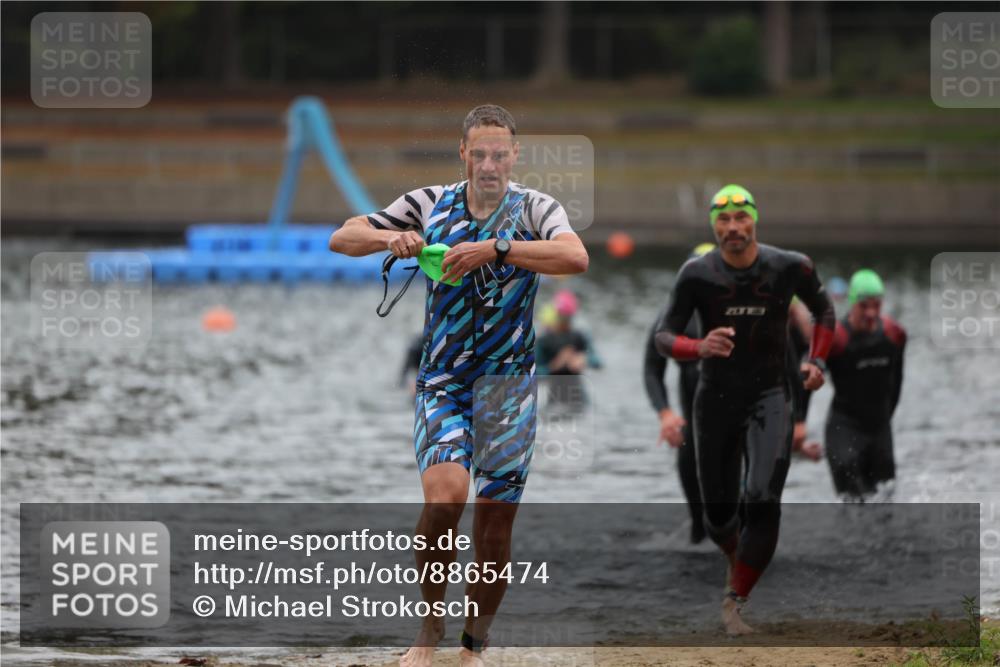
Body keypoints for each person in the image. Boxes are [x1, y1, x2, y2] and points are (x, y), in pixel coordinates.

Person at [329, 104, 588, 667]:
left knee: (493, 527)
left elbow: (575, 256)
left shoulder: (535, 208)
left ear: (514, 156)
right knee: (445, 498)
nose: (489, 164)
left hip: (508, 390)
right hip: (443, 382)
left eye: (500, 154)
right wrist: (390, 241)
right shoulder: (429, 202)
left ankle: (473, 644)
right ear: (463, 153)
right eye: (479, 154)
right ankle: (429, 628)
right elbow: (342, 236)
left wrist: (497, 249)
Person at [654, 184, 835, 636]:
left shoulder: (789, 266)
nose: (733, 227)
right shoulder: (697, 275)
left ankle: (735, 601)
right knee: (718, 519)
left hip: (770, 396)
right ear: (714, 227)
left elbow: (825, 311)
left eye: (741, 218)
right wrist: (699, 346)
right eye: (723, 220)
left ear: (754, 220)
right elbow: (663, 337)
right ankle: (738, 558)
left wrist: (817, 361)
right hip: (714, 401)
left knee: (762, 497)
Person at [642, 243, 715, 544]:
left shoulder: (739, 312)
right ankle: (699, 532)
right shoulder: (673, 317)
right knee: (699, 522)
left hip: (737, 418)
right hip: (693, 422)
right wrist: (666, 414)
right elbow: (652, 370)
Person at [824, 269, 906, 500]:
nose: (871, 313)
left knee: (885, 501)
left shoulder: (894, 335)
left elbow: (897, 382)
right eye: (864, 306)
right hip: (844, 429)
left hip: (879, 429)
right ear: (852, 303)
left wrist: (885, 417)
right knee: (852, 502)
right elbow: (807, 376)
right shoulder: (836, 339)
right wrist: (799, 421)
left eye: (876, 305)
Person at [536, 289, 601, 413]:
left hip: (580, 399)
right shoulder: (544, 341)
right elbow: (535, 374)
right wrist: (555, 365)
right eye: (562, 317)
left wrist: (583, 359)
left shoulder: (579, 336)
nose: (565, 322)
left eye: (568, 318)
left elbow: (598, 362)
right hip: (554, 400)